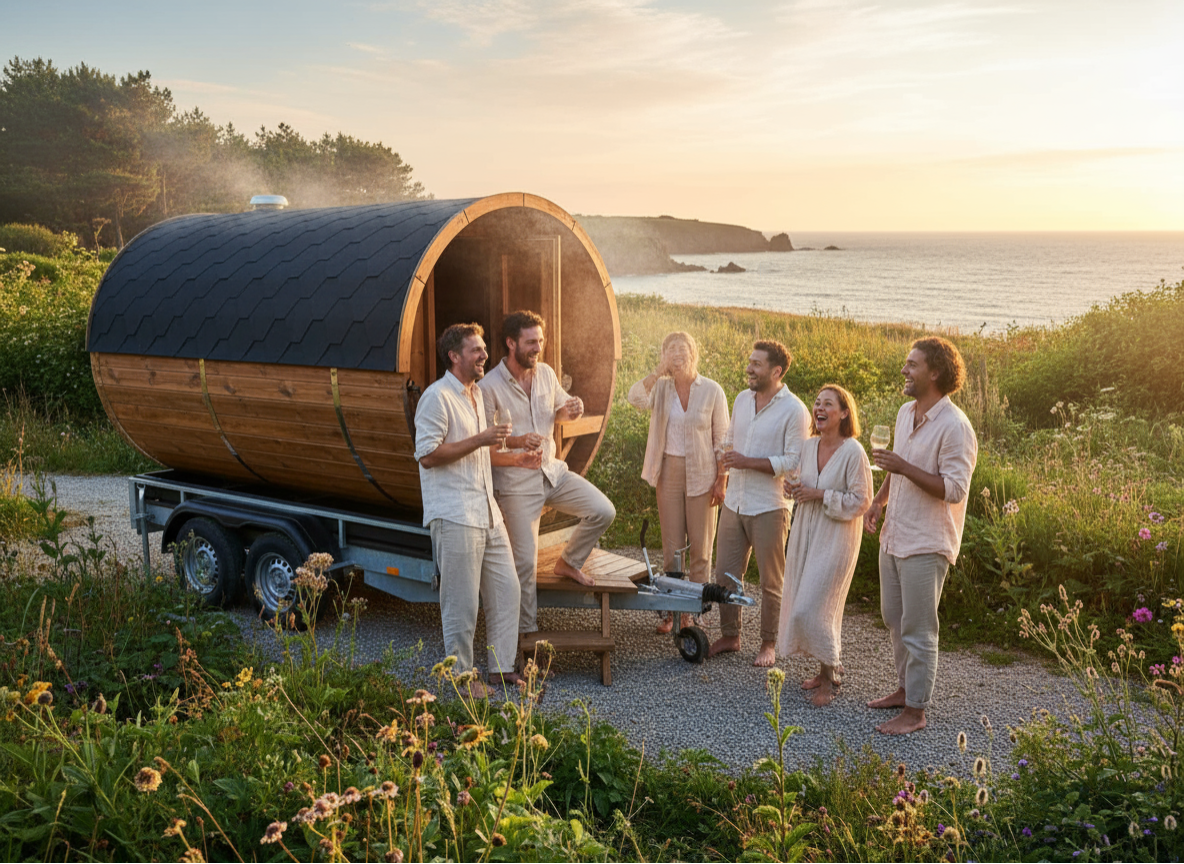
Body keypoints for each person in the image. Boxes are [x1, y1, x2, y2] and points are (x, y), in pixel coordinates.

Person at [477, 310, 616, 639]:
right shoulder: (488, 387)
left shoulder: (547, 374)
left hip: (553, 474)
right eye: (530, 342)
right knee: (524, 566)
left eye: (540, 340)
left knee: (602, 511)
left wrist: (571, 409)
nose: (538, 347)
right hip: (516, 486)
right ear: (511, 343)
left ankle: (568, 562)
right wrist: (516, 450)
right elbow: (482, 447)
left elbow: (562, 409)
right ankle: (527, 638)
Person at [863, 336, 978, 735]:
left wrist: (904, 466)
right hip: (896, 533)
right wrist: (879, 502)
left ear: (935, 372)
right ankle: (903, 689)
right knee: (894, 618)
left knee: (919, 628)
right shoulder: (904, 412)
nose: (904, 370)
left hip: (927, 541)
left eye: (912, 364)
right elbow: (895, 471)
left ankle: (916, 711)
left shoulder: (955, 427)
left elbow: (955, 489)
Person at [414, 322, 522, 695]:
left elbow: (479, 452)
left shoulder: (476, 395)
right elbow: (427, 455)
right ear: (454, 356)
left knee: (508, 590)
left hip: (486, 510)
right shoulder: (437, 397)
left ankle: (501, 669)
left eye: (483, 349)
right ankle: (460, 682)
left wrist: (514, 458)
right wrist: (480, 439)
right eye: (475, 350)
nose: (484, 355)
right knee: (460, 606)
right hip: (455, 513)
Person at [710, 340, 811, 667]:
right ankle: (730, 635)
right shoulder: (741, 399)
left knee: (771, 580)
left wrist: (747, 461)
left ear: (776, 371)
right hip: (735, 501)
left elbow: (795, 461)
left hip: (770, 505)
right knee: (724, 573)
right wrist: (722, 462)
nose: (749, 368)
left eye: (756, 364)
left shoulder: (795, 410)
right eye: (749, 362)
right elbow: (728, 439)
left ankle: (768, 643)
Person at [627, 332, 729, 634]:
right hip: (668, 469)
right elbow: (634, 398)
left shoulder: (712, 390)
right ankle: (671, 612)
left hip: (703, 471)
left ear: (694, 353)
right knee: (672, 547)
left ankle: (693, 614)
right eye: (670, 349)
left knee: (700, 547)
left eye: (683, 348)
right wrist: (659, 371)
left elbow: (723, 439)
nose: (677, 353)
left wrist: (722, 479)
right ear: (664, 355)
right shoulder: (660, 388)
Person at [777, 384, 873, 706]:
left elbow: (861, 501)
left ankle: (830, 680)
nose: (819, 408)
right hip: (806, 531)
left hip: (837, 536)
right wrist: (795, 491)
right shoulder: (807, 447)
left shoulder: (853, 452)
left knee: (815, 607)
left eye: (827, 404)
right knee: (807, 602)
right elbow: (802, 485)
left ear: (844, 412)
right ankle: (823, 670)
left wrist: (819, 495)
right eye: (817, 403)